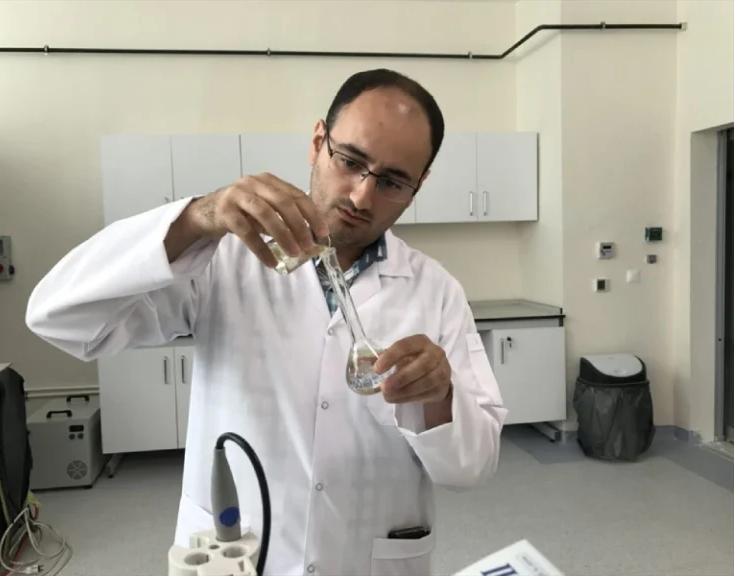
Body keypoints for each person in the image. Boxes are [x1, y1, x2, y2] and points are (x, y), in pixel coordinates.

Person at [26, 68, 507, 576]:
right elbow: (57, 317)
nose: (361, 197)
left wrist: (439, 398)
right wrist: (196, 219)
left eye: (391, 181)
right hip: (234, 555)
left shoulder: (436, 292)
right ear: (318, 142)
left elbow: (471, 467)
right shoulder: (222, 259)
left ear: (419, 184)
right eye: (350, 161)